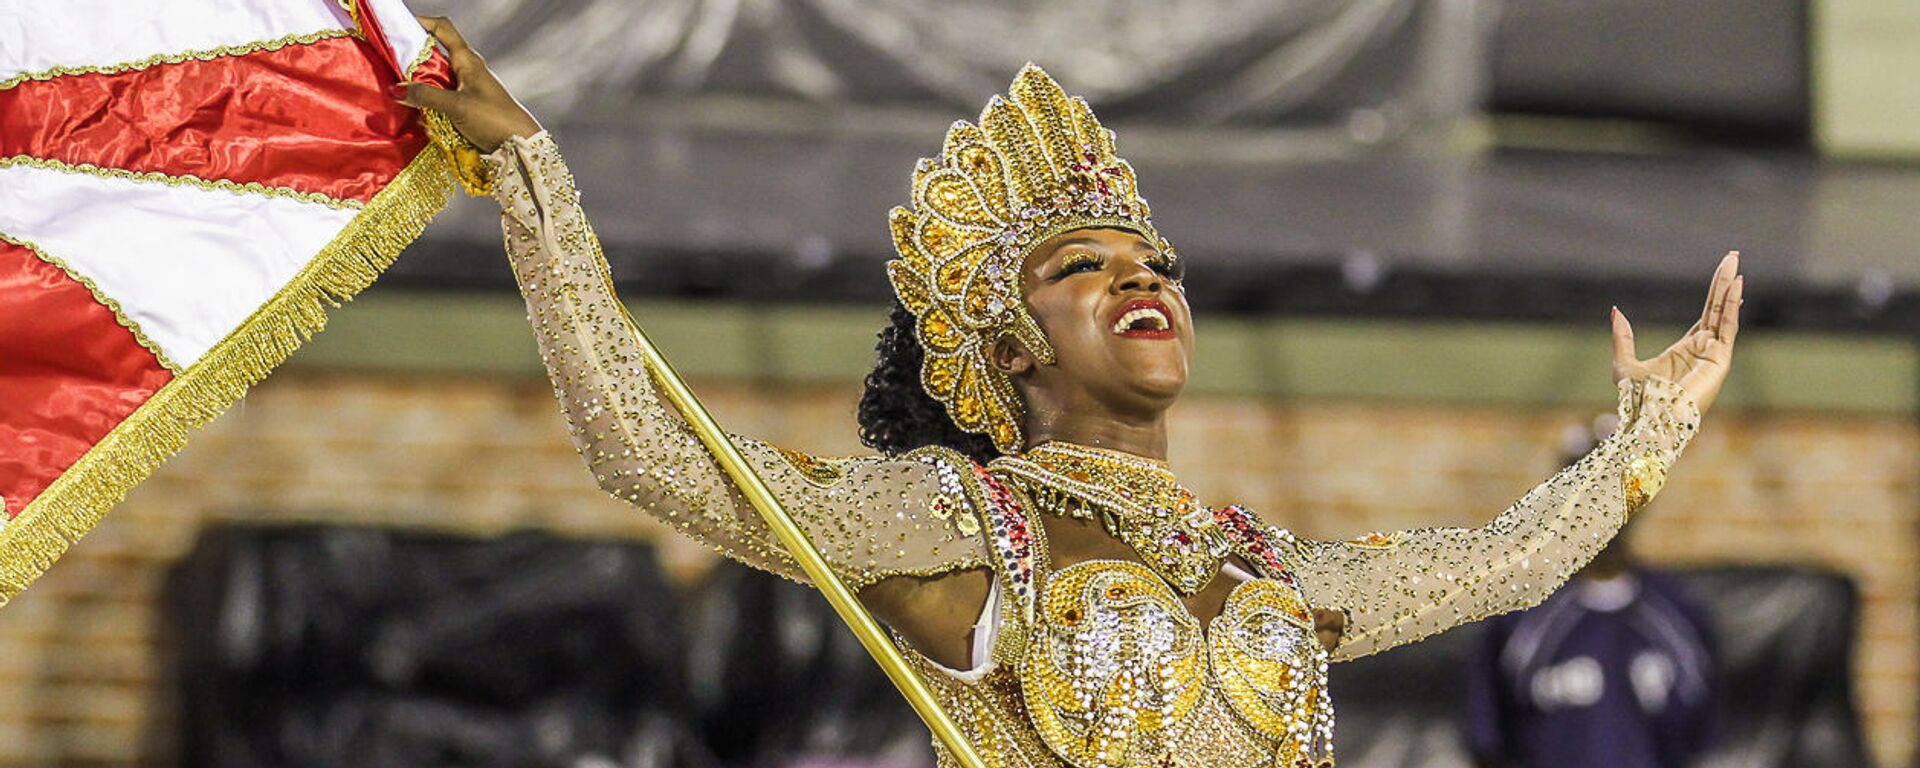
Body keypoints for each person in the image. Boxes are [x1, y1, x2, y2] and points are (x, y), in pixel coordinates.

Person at [395, 15, 1742, 768]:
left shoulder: (1258, 562)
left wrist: (1657, 423)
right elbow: (649, 450)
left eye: (1155, 261)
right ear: (1013, 345)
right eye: (1083, 266)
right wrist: (532, 179)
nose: (1142, 278)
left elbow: (1498, 567)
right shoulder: (964, 524)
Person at [1463, 421, 1718, 768]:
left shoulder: (1681, 614)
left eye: (1618, 488)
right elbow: (1487, 741)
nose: (1602, 507)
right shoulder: (1519, 616)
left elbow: (1701, 740)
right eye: (1585, 488)